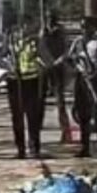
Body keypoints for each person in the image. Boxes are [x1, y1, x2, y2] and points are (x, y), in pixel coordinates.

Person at [0, 19, 45, 159]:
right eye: (22, 26)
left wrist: (41, 63)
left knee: (33, 117)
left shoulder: (36, 42)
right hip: (15, 81)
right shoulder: (10, 41)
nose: (24, 29)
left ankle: (34, 148)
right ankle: (20, 149)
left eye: (27, 26)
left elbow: (47, 59)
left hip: (31, 80)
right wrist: (8, 67)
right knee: (17, 117)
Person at [69, 14, 97, 159]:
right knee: (82, 115)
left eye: (87, 27)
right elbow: (70, 58)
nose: (84, 30)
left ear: (92, 28)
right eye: (82, 27)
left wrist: (94, 74)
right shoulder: (78, 42)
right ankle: (84, 147)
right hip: (81, 80)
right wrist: (75, 63)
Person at [40, 14, 71, 143]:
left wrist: (60, 60)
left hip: (58, 67)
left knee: (60, 102)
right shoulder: (42, 33)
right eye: (47, 20)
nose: (49, 23)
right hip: (45, 67)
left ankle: (65, 132)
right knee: (39, 101)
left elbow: (66, 49)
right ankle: (36, 129)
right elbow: (39, 49)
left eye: (51, 20)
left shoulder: (61, 33)